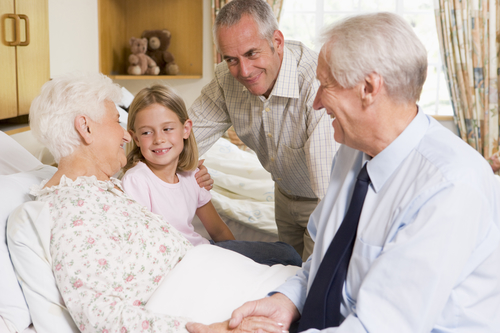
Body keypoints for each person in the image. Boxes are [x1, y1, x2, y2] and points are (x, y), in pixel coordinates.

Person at [187, 12, 500, 333]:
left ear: (369, 88)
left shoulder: (450, 188)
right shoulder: (351, 152)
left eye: (326, 85)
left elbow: (381, 326)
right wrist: (286, 301)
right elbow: (323, 263)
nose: (317, 102)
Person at [28, 72, 285, 333]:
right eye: (117, 120)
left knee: (293, 267)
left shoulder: (103, 189)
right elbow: (99, 315)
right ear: (85, 127)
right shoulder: (72, 211)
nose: (126, 137)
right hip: (196, 301)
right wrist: (211, 330)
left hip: (210, 274)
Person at [188, 0, 338, 261]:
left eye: (252, 53)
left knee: (313, 283)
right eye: (231, 59)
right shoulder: (226, 79)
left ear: (277, 42)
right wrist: (181, 166)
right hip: (283, 194)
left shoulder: (314, 83)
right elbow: (185, 139)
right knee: (288, 271)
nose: (244, 71)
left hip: (322, 202)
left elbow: (327, 189)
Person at [121, 84, 301, 266]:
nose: (159, 139)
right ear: (135, 138)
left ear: (186, 129)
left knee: (288, 253)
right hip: (184, 261)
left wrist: (239, 263)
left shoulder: (192, 176)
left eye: (167, 129)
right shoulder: (136, 180)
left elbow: (219, 231)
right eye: (146, 132)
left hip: (204, 251)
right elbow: (141, 243)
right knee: (287, 257)